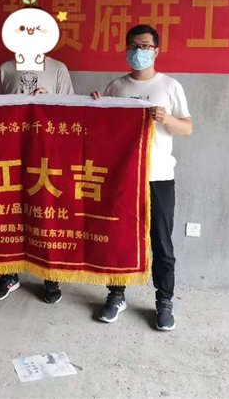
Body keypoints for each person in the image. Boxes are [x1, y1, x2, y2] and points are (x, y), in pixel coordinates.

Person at [91, 24, 192, 331]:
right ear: (126, 50)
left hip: (158, 176)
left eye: (145, 46)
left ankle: (164, 301)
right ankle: (116, 294)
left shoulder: (170, 86)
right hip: (123, 177)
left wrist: (167, 118)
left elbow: (187, 128)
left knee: (161, 242)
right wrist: (95, 107)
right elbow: (102, 132)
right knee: (119, 237)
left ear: (156, 50)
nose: (139, 51)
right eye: (134, 46)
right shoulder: (116, 87)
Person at [0, 55, 75, 304]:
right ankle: (9, 274)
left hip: (46, 152)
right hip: (11, 152)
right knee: (9, 213)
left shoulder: (58, 68)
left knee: (46, 212)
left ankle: (50, 275)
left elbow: (70, 111)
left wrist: (49, 101)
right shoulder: (5, 69)